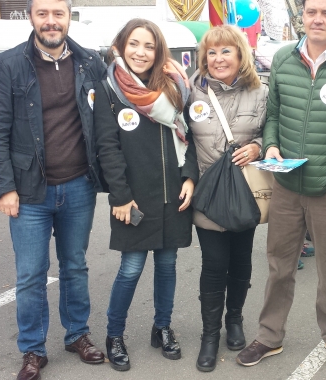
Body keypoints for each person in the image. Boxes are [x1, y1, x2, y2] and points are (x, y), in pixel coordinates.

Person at [235, 0, 326, 370]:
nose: (317, 19)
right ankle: (269, 336)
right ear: (302, 16)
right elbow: (274, 115)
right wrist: (270, 145)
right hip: (286, 185)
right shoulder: (283, 58)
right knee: (279, 266)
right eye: (312, 11)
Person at [0, 0, 108, 379]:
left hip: (79, 186)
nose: (51, 22)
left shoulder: (90, 63)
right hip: (28, 191)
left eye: (58, 14)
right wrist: (4, 187)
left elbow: (110, 116)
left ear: (69, 17)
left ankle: (77, 335)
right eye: (43, 14)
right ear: (31, 17)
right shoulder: (7, 66)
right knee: (32, 274)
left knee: (75, 266)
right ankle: (33, 349)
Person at [93, 18, 198, 371]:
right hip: (134, 199)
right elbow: (107, 148)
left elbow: (189, 135)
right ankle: (114, 334)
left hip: (173, 194)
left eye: (149, 46)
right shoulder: (109, 89)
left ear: (158, 52)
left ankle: (162, 327)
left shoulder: (174, 85)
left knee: (167, 266)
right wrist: (120, 197)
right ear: (120, 46)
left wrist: (190, 176)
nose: (141, 52)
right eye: (134, 44)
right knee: (131, 268)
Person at [186, 25, 268, 372]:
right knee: (215, 264)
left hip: (245, 191)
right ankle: (209, 334)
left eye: (226, 51)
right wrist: (188, 178)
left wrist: (258, 146)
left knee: (242, 260)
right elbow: (181, 139)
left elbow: (271, 130)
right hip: (208, 191)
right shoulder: (190, 92)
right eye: (212, 52)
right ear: (204, 57)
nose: (218, 59)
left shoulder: (261, 91)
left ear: (240, 55)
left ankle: (234, 319)